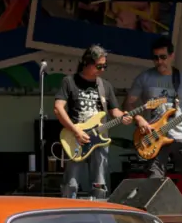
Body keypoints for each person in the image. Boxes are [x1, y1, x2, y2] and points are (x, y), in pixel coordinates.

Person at [126, 36, 182, 194]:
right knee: (154, 181)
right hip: (153, 135)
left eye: (163, 57)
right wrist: (139, 119)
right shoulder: (144, 78)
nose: (159, 61)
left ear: (172, 56)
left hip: (180, 134)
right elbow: (128, 104)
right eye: (155, 58)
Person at [54, 44, 130, 199]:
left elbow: (113, 110)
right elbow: (58, 108)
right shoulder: (69, 82)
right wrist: (76, 131)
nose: (102, 70)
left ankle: (98, 215)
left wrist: (123, 117)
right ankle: (67, 213)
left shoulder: (105, 86)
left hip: (100, 140)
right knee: (71, 183)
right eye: (99, 66)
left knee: (99, 182)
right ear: (86, 63)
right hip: (76, 139)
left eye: (104, 66)